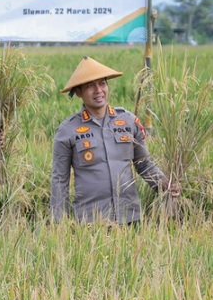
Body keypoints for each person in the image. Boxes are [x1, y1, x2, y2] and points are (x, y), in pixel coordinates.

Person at [51, 56, 175, 224]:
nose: (98, 90)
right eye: (90, 86)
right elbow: (60, 180)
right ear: (79, 92)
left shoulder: (128, 121)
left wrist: (164, 183)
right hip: (90, 222)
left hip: (131, 218)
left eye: (102, 83)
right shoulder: (68, 130)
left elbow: (144, 164)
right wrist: (59, 222)